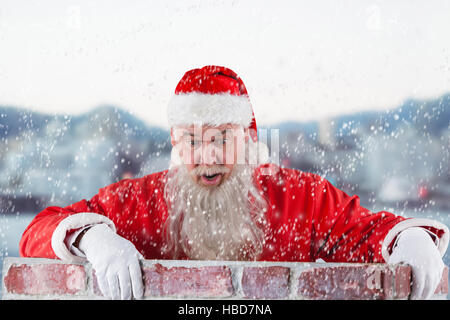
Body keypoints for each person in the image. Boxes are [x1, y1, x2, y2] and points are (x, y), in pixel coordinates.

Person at [20, 65, 448, 300]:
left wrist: (409, 238)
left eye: (222, 138)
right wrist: (92, 238)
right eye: (192, 139)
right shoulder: (140, 202)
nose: (207, 156)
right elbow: (39, 230)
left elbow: (365, 230)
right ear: (175, 143)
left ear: (248, 140)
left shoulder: (298, 197)